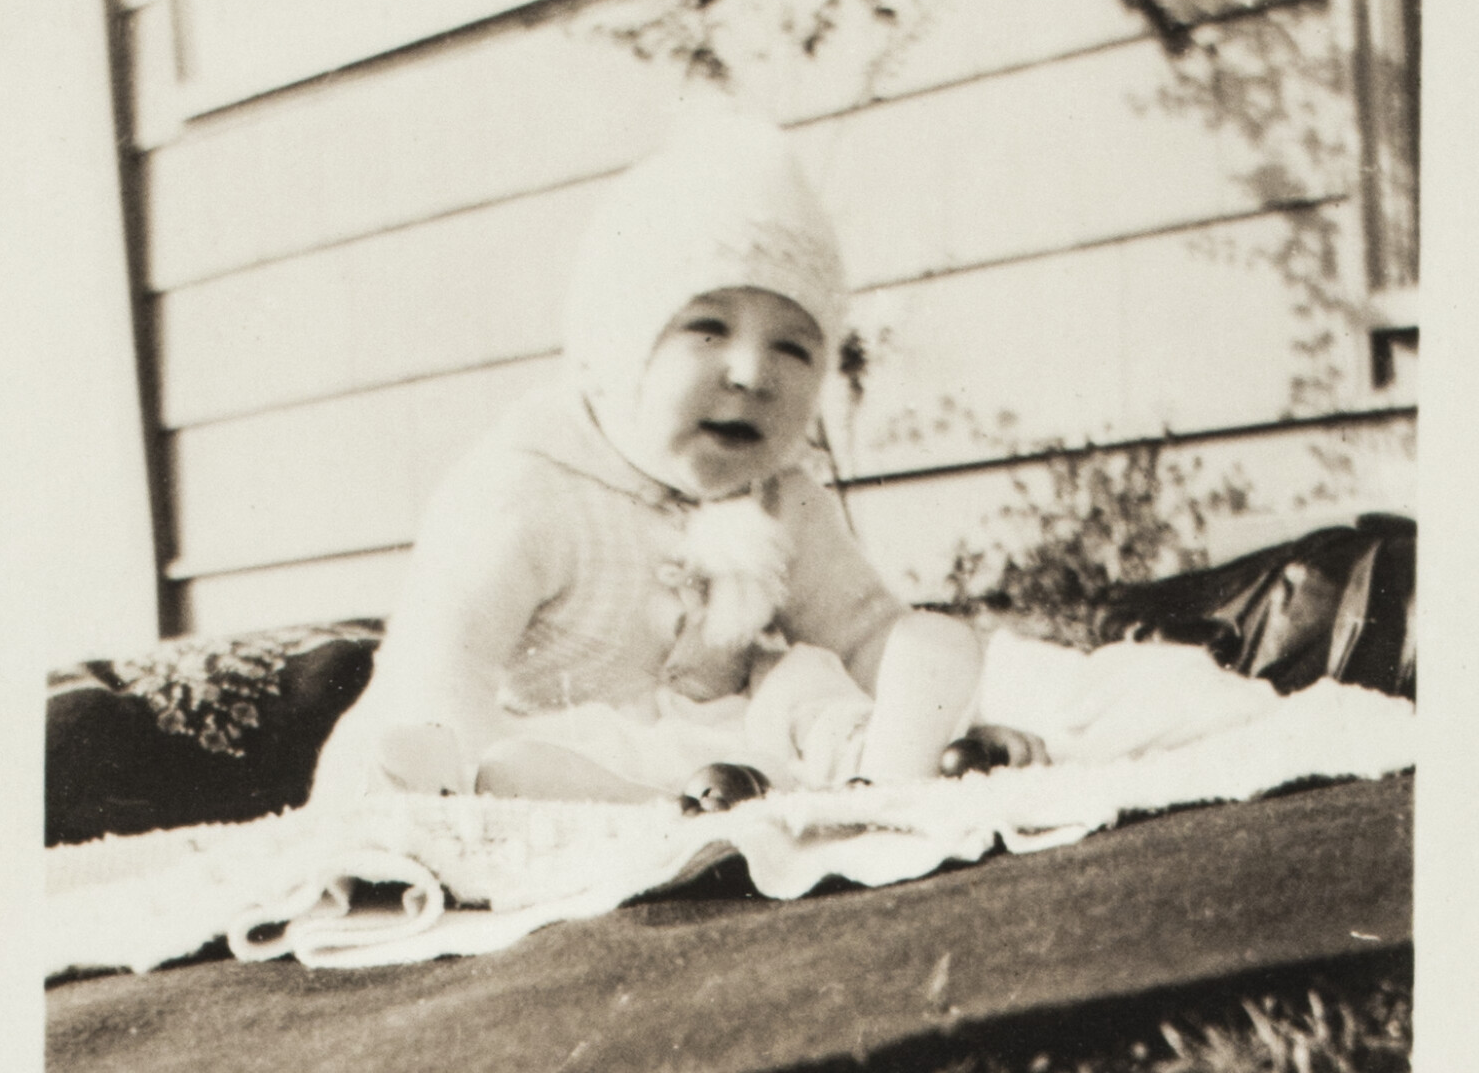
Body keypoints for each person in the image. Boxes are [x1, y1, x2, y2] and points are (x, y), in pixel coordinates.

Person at [309, 113, 1047, 811]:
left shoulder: (783, 502)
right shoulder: (526, 486)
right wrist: (445, 765)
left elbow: (863, 634)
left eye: (794, 347)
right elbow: (442, 670)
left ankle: (899, 781)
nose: (752, 373)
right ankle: (652, 819)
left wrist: (942, 705)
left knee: (902, 656)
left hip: (742, 759)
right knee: (493, 769)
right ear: (621, 349)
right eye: (707, 329)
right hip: (577, 763)